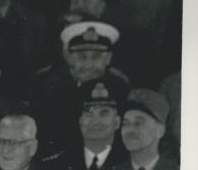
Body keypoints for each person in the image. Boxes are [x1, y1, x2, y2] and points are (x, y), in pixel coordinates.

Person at [28, 18, 129, 157]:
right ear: (69, 57)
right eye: (82, 57)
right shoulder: (46, 83)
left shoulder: (119, 86)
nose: (89, 65)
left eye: (96, 57)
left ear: (108, 59)